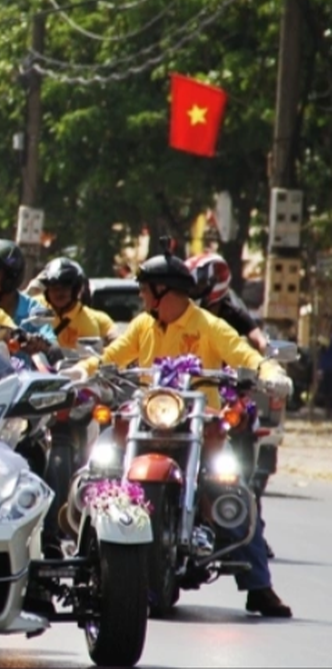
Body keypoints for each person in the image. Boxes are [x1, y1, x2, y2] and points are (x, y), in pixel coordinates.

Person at [61, 249, 293, 618]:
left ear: (162, 290)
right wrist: (83, 371)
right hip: (149, 419)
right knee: (99, 466)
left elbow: (244, 355)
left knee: (231, 489)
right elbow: (113, 355)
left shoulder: (209, 326)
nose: (140, 297)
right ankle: (87, 560)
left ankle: (259, 587)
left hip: (201, 426)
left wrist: (269, 373)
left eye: (144, 290)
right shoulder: (143, 326)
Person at [187, 253, 269, 354]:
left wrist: (265, 349)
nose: (189, 293)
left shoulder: (233, 314)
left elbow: (258, 339)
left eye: (197, 287)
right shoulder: (180, 313)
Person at [31, 258, 115, 351]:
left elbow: (90, 359)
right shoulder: (34, 306)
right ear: (47, 291)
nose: (59, 293)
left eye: (64, 288)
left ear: (76, 290)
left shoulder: (87, 321)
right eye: (54, 288)